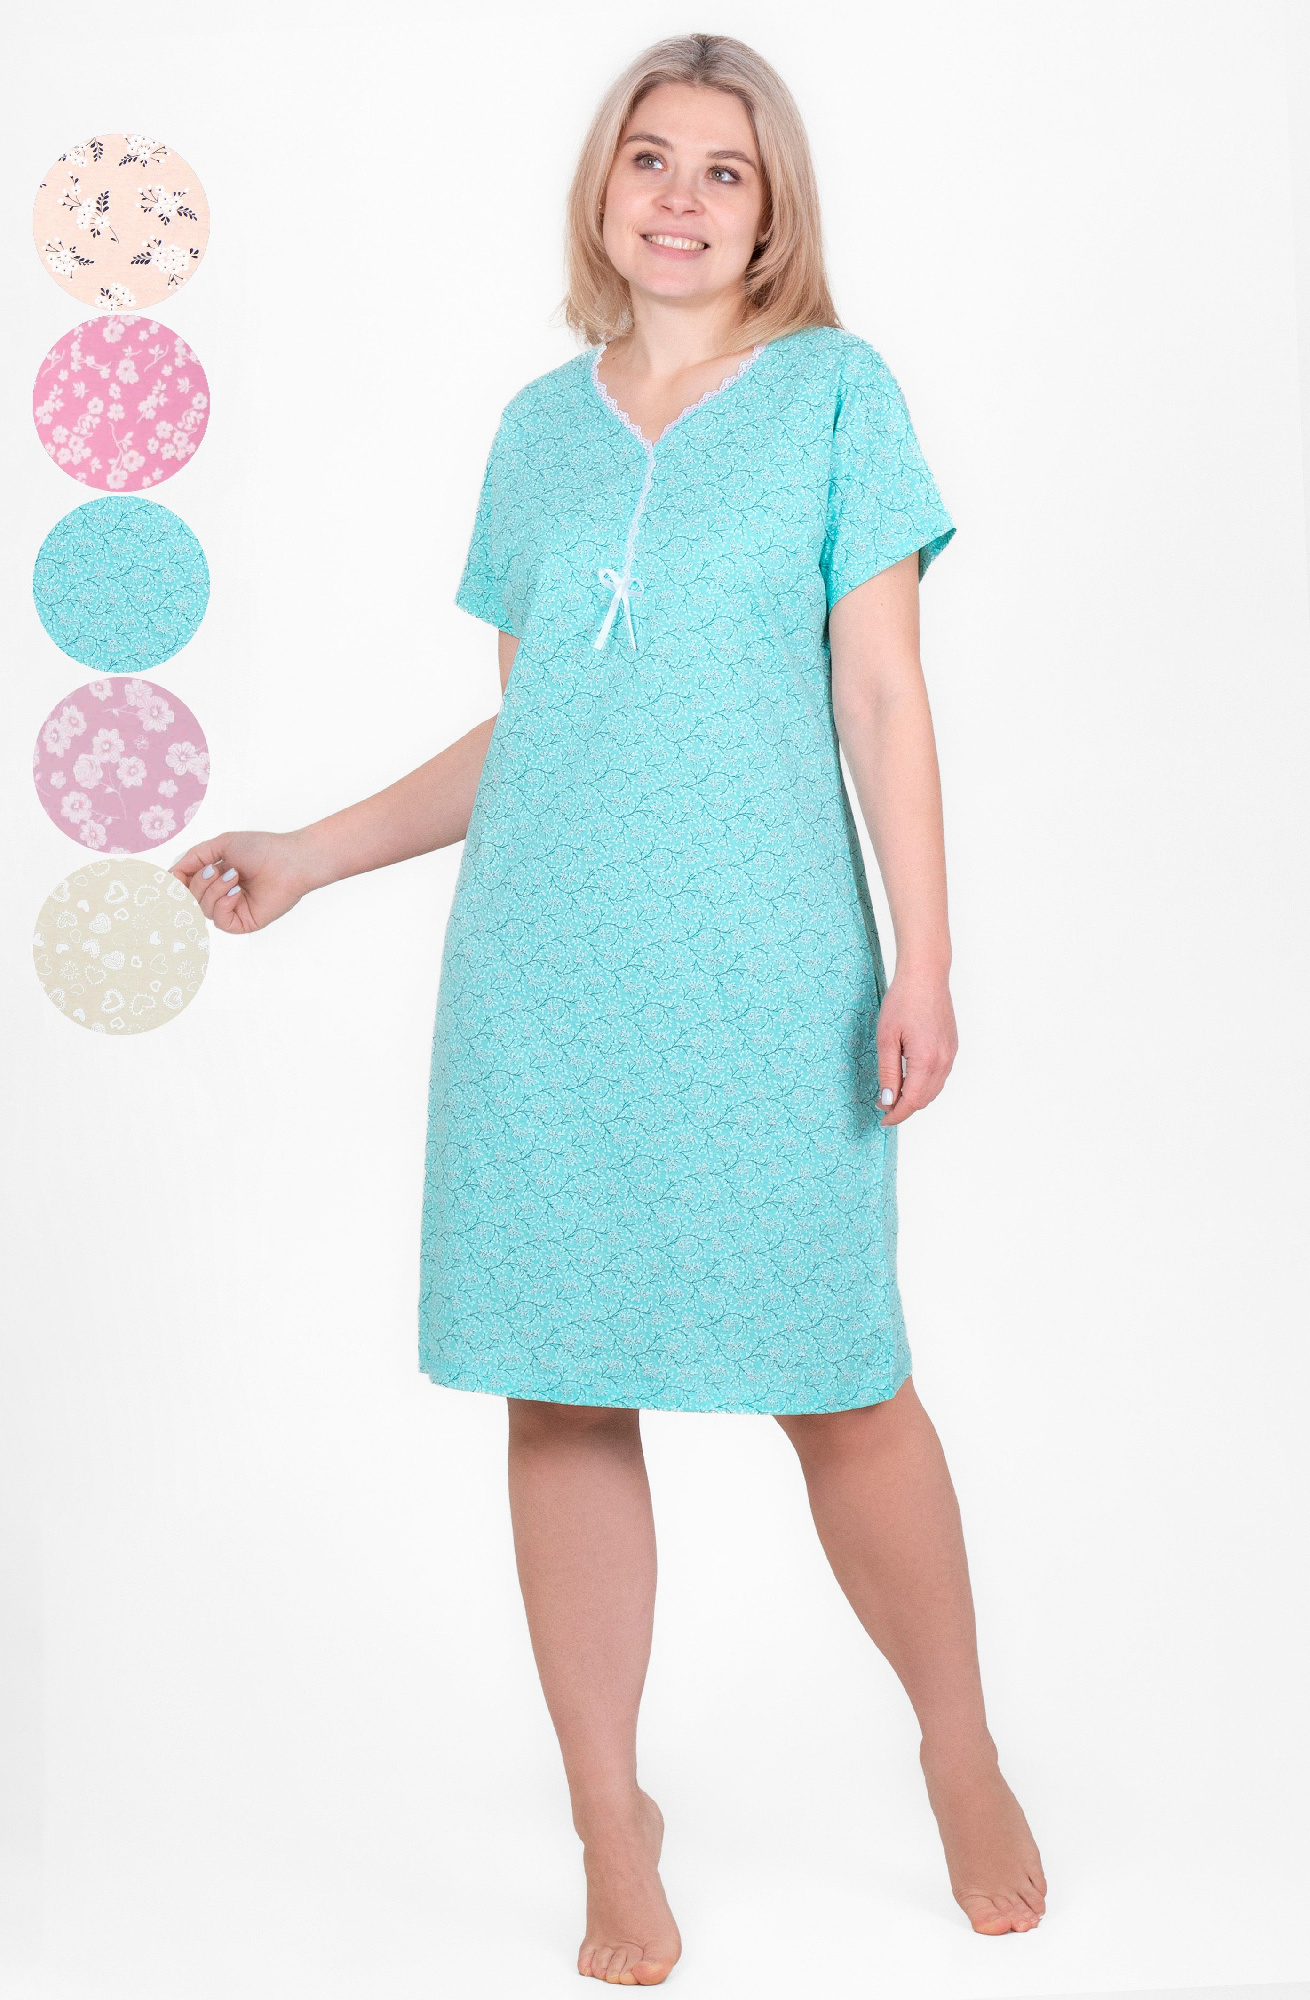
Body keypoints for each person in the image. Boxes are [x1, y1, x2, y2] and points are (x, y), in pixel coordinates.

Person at [172, 31, 1046, 1988]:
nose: (679, 196)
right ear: (602, 186)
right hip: (544, 978)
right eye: (649, 157)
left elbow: (880, 692)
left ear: (772, 207)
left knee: (839, 1377)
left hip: (765, 972)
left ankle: (958, 1746)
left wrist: (922, 954)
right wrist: (314, 850)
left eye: (722, 169)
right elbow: (540, 727)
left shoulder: (837, 394)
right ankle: (604, 1820)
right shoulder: (534, 430)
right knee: (561, 1387)